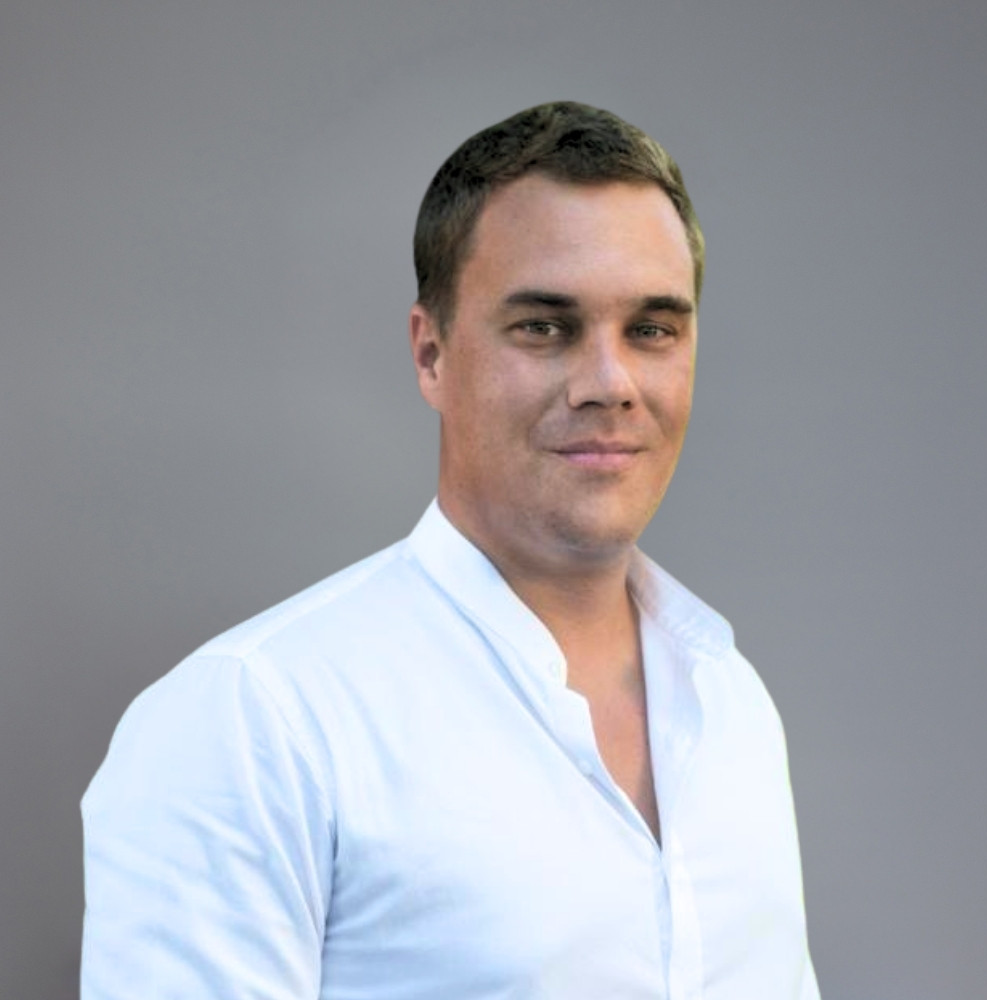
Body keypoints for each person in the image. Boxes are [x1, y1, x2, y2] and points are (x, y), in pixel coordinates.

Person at [81, 101, 820, 999]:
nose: (610, 383)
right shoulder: (256, 725)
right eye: (544, 327)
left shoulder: (731, 705)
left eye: (652, 329)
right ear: (432, 354)